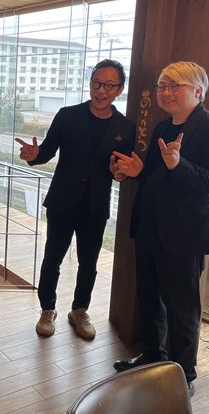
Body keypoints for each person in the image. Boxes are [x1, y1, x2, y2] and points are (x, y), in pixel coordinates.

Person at [111, 61, 209, 397]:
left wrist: (179, 165)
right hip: (150, 228)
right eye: (162, 86)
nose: (165, 92)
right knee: (149, 299)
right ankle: (153, 357)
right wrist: (136, 170)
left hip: (184, 235)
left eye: (174, 86)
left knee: (182, 310)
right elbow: (155, 174)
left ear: (198, 91)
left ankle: (183, 375)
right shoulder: (163, 128)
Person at [15, 59, 135, 340]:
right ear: (90, 84)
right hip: (62, 202)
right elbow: (46, 151)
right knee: (52, 258)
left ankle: (79, 310)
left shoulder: (125, 127)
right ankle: (47, 309)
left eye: (109, 85)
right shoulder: (67, 115)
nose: (101, 90)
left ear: (119, 89)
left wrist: (120, 174)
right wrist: (34, 156)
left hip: (96, 206)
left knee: (89, 263)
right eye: (96, 83)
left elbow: (121, 169)